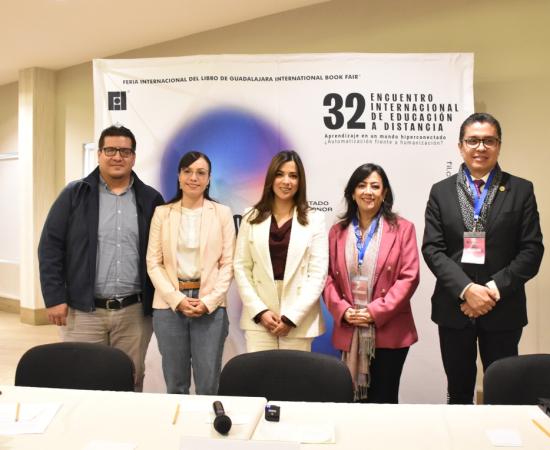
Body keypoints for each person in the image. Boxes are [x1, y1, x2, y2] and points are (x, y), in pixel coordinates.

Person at [422, 112, 544, 404]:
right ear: (460, 146)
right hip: (455, 308)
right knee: (459, 390)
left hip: (503, 309)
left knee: (503, 391)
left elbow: (532, 250)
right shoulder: (441, 192)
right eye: (473, 140)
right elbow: (433, 249)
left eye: (489, 141)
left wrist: (489, 290)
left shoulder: (521, 190)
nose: (480, 147)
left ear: (499, 145)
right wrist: (467, 290)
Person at [38, 125, 164, 391]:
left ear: (133, 157)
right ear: (99, 154)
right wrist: (54, 297)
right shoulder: (75, 194)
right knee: (82, 379)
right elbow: (50, 246)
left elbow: (162, 253)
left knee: (129, 381)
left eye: (125, 151)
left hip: (134, 314)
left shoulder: (150, 199)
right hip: (83, 312)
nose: (117, 156)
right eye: (110, 150)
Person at [323, 163, 419, 403]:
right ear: (352, 193)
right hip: (349, 326)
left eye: (375, 186)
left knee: (384, 399)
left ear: (384, 193)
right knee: (351, 400)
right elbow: (326, 278)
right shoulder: (337, 232)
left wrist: (373, 312)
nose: (368, 191)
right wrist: (344, 311)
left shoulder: (403, 229)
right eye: (362, 185)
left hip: (389, 331)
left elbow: (409, 277)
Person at [146, 151, 235, 395]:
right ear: (179, 176)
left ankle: (205, 431)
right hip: (169, 304)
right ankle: (180, 431)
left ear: (208, 179)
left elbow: (228, 263)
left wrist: (208, 302)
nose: (193, 177)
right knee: (176, 383)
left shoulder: (222, 213)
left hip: (211, 305)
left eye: (200, 173)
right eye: (188, 171)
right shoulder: (163, 213)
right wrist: (177, 299)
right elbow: (153, 263)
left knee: (208, 383)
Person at [234, 150, 328, 352]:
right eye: (280, 174)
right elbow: (241, 267)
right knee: (261, 379)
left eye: (293, 176)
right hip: (259, 318)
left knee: (294, 381)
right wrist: (260, 312)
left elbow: (317, 274)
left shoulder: (315, 219)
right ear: (271, 178)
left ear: (300, 181)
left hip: (298, 319)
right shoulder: (251, 216)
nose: (286, 181)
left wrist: (291, 317)